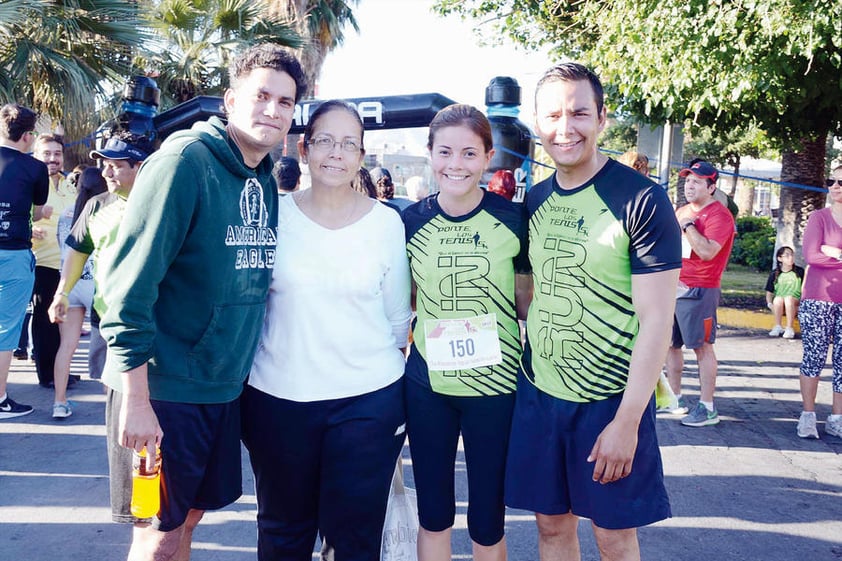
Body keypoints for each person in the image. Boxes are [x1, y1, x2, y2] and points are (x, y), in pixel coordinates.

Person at [95, 44, 306, 561]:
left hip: (219, 389)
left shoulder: (261, 175)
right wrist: (138, 401)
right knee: (157, 533)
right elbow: (129, 289)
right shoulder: (182, 163)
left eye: (285, 101)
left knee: (187, 520)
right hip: (163, 389)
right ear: (231, 100)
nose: (273, 111)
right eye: (261, 96)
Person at [505, 63, 680, 561]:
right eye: (554, 115)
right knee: (552, 530)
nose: (566, 128)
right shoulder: (534, 199)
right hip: (539, 392)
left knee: (613, 537)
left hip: (610, 400)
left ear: (602, 118)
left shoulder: (642, 199)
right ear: (537, 123)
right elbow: (528, 294)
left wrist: (627, 422)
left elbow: (656, 322)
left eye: (579, 112)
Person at [241, 99, 411, 560]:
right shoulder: (271, 215)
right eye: (325, 141)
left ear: (361, 155)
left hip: (367, 403)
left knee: (355, 538)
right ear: (304, 148)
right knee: (283, 533)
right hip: (277, 400)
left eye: (348, 144)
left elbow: (399, 321)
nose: (336, 153)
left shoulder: (386, 223)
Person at [402, 104, 530, 561]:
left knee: (487, 517)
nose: (456, 164)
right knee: (433, 513)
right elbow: (406, 298)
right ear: (430, 154)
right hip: (428, 386)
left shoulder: (515, 219)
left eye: (469, 153)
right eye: (445, 152)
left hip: (495, 388)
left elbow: (528, 299)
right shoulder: (408, 221)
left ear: (489, 156)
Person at [665, 159, 736, 427]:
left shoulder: (719, 216)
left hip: (699, 290)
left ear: (711, 187)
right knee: (671, 344)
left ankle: (707, 408)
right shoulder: (682, 210)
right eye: (687, 180)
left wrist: (688, 225)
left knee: (702, 348)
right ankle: (675, 398)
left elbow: (707, 252)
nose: (689, 185)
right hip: (673, 285)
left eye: (696, 181)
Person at [0, 103, 49, 419]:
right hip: (14, 254)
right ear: (29, 136)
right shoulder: (35, 168)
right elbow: (36, 209)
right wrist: (38, 216)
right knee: (5, 329)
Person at [50, 167, 107, 418]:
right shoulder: (103, 210)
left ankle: (59, 402)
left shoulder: (66, 214)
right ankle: (111, 405)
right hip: (96, 285)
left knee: (67, 346)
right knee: (106, 349)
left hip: (69, 284)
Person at [796, 165, 842, 439]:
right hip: (818, 298)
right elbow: (812, 256)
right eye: (831, 180)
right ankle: (808, 416)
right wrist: (830, 253)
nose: (835, 186)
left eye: (841, 181)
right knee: (813, 357)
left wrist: (834, 252)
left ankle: (837, 418)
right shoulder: (819, 218)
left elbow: (823, 254)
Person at [30, 134, 76, 388]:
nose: (52, 158)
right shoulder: (28, 182)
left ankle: (60, 369)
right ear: (36, 155)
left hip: (67, 263)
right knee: (44, 321)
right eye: (46, 153)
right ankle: (47, 374)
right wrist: (29, 229)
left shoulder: (70, 184)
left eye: (57, 153)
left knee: (63, 321)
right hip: (42, 261)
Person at [765, 246, 803, 339]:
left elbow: (805, 288)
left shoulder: (799, 271)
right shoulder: (775, 274)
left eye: (792, 255)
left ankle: (789, 328)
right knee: (777, 299)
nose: (790, 257)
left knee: (788, 298)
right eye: (787, 255)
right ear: (780, 258)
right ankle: (778, 326)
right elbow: (769, 293)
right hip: (779, 305)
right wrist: (770, 304)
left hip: (795, 302)